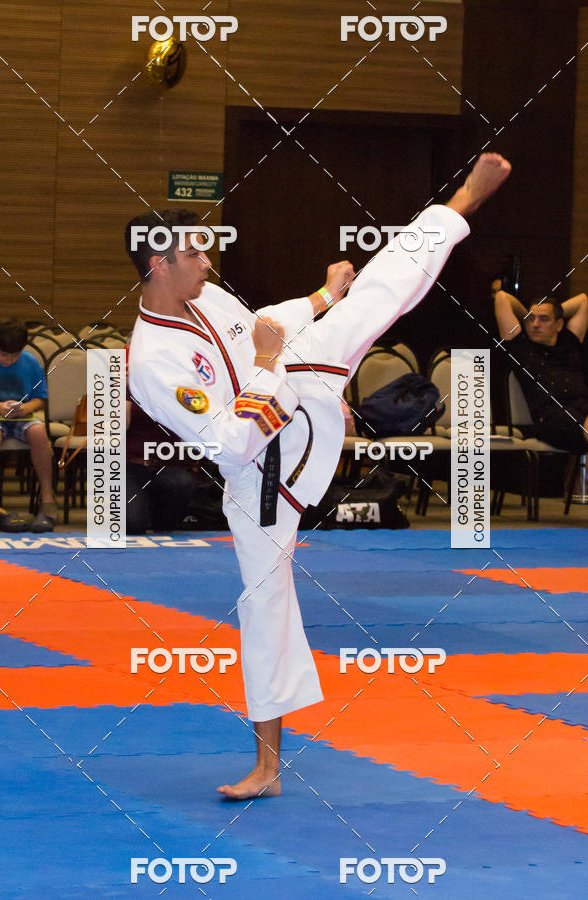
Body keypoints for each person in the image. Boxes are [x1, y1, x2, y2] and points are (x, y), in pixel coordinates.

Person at [127, 152, 511, 800]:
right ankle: (268, 767)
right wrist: (271, 366)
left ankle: (460, 203)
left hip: (292, 387)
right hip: (262, 468)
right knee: (264, 604)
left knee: (370, 300)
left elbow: (263, 327)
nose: (208, 262)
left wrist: (325, 297)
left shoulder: (205, 296)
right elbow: (230, 442)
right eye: (195, 254)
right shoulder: (152, 361)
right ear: (158, 265)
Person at [494, 289, 588, 451]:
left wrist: (553, 310)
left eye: (544, 319)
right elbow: (502, 298)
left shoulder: (569, 343)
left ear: (559, 324)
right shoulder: (520, 347)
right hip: (552, 417)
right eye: (531, 319)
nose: (535, 324)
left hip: (583, 408)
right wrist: (529, 316)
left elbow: (583, 301)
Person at [0, 319, 57, 530]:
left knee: (38, 433)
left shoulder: (31, 362)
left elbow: (40, 399)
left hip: (21, 416)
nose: (8, 360)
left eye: (14, 356)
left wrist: (26, 408)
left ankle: (47, 497)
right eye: (3, 355)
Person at [125, 395, 200, 534]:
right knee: (133, 525)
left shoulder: (174, 389)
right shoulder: (125, 390)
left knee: (184, 483)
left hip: (166, 465)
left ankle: (163, 524)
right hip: (132, 464)